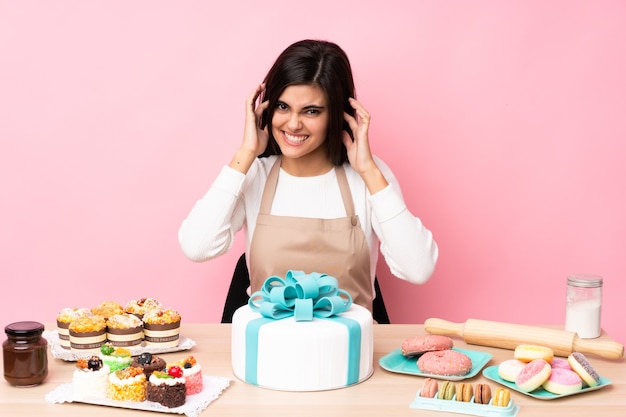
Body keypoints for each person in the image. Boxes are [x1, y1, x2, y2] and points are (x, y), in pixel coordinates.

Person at [178, 39, 438, 313]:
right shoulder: (255, 174)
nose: (292, 124)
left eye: (311, 111)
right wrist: (245, 153)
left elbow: (418, 269)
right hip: (267, 348)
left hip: (349, 350)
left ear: (337, 114)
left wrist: (370, 172)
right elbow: (197, 247)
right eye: (282, 107)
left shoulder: (369, 177)